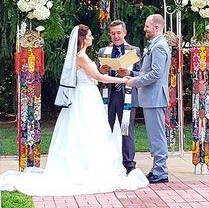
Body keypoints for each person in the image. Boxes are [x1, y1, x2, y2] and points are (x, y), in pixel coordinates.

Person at [0, 25, 148, 196]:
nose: (92, 37)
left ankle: (92, 165)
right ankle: (86, 169)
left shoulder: (83, 56)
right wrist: (124, 80)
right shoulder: (82, 57)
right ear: (83, 39)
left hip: (89, 95)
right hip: (85, 97)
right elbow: (99, 77)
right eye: (90, 35)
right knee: (86, 132)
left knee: (89, 133)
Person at [126, 14, 171, 184]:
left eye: (147, 26)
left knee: (157, 136)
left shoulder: (159, 46)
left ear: (157, 28)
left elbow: (156, 74)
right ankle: (157, 169)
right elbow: (148, 72)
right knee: (153, 136)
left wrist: (135, 82)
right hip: (151, 97)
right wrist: (131, 74)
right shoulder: (155, 44)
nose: (144, 29)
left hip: (155, 97)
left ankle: (161, 171)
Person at [98, 20, 141, 175]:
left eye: (118, 33)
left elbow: (141, 73)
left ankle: (129, 164)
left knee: (126, 131)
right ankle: (104, 162)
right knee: (105, 129)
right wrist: (101, 70)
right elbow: (96, 74)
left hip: (126, 95)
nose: (116, 36)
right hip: (108, 95)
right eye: (113, 33)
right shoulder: (104, 51)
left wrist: (129, 73)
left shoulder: (133, 50)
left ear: (125, 33)